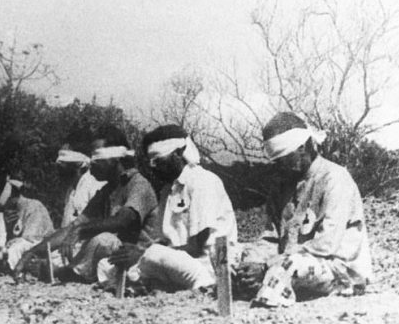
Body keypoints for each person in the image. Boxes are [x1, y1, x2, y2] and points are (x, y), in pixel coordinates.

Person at [234, 112, 373, 307]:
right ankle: (255, 284)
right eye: (277, 161)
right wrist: (252, 263)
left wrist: (267, 265)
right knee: (233, 254)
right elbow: (270, 238)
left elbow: (326, 245)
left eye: (285, 158)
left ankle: (267, 300)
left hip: (336, 268)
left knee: (286, 266)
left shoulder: (335, 178)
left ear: (304, 147)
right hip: (286, 262)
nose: (280, 166)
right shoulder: (281, 187)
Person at [98, 125, 238, 292]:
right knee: (106, 265)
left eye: (157, 160)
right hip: (174, 261)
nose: (153, 167)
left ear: (178, 153)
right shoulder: (168, 190)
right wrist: (137, 253)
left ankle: (205, 285)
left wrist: (143, 254)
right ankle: (152, 284)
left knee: (154, 254)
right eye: (150, 162)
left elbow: (197, 246)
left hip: (207, 264)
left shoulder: (202, 181)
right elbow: (165, 239)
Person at [14, 124, 159, 283]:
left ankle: (64, 273)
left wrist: (81, 230)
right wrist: (32, 252)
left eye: (97, 157)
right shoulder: (107, 191)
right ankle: (64, 272)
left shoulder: (139, 184)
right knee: (95, 240)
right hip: (113, 261)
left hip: (138, 259)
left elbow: (123, 220)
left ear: (116, 157)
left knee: (103, 240)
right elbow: (72, 227)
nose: (92, 163)